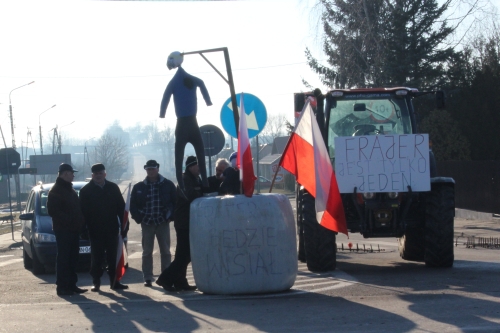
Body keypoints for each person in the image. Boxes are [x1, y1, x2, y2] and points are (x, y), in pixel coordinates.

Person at [159, 51, 212, 193]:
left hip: (183, 123)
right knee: (197, 153)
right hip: (190, 122)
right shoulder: (187, 80)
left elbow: (165, 97)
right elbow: (201, 83)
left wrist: (162, 113)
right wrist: (208, 101)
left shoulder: (175, 82)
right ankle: (202, 182)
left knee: (180, 155)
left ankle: (183, 183)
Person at [79, 163, 128, 292]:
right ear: (92, 175)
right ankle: (96, 283)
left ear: (105, 174)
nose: (98, 176)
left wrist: (125, 226)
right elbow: (82, 212)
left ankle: (114, 281)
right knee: (97, 258)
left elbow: (121, 209)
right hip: (95, 230)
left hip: (112, 229)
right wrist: (83, 230)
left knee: (113, 257)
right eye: (96, 174)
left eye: (100, 173)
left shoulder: (113, 188)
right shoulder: (86, 191)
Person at [156, 156, 202, 292]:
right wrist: (202, 193)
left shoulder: (194, 179)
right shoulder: (184, 179)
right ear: (191, 167)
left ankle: (180, 282)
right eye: (197, 166)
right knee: (185, 255)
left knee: (183, 254)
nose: (200, 169)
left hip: (190, 221)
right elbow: (191, 196)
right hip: (183, 222)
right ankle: (165, 279)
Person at [130, 159, 176, 287]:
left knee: (166, 251)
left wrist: (170, 217)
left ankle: (165, 277)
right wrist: (139, 218)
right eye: (148, 169)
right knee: (147, 252)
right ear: (146, 170)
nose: (150, 171)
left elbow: (175, 202)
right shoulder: (139, 187)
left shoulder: (168, 184)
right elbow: (132, 205)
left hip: (163, 222)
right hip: (147, 223)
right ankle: (148, 277)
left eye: (153, 168)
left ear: (158, 169)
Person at [47, 163, 87, 296]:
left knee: (73, 258)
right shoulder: (56, 190)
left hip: (73, 229)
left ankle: (71, 284)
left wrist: (80, 222)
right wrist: (71, 220)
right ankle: (62, 287)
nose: (73, 175)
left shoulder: (69, 189)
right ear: (65, 174)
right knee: (64, 258)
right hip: (63, 230)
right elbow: (53, 211)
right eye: (71, 173)